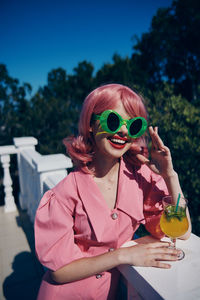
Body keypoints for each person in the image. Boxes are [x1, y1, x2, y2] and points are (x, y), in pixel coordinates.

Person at [34, 84, 191, 300]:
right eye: (114, 121)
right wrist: (122, 256)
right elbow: (59, 272)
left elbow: (182, 232)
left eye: (133, 125)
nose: (124, 132)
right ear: (90, 124)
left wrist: (170, 175)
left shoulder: (141, 177)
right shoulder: (65, 192)